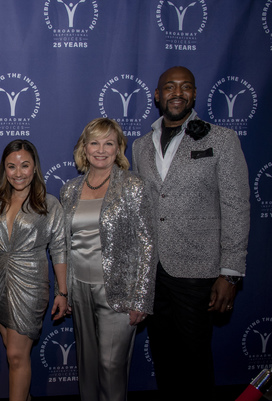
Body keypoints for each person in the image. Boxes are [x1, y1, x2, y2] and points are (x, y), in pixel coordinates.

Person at [132, 66, 250, 401]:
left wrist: (230, 272)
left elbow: (237, 206)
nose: (177, 93)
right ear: (157, 96)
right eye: (169, 87)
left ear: (195, 94)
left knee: (195, 358)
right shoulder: (141, 146)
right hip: (155, 273)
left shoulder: (221, 139)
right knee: (164, 357)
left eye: (185, 87)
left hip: (198, 271)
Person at [60, 118, 156, 401]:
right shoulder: (70, 189)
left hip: (119, 291)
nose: (100, 150)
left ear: (119, 148)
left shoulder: (133, 185)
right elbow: (65, 245)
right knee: (87, 366)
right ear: (84, 147)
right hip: (79, 289)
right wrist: (63, 291)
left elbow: (147, 244)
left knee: (111, 365)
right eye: (94, 143)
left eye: (108, 143)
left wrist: (141, 299)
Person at [0, 139, 68, 401]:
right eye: (11, 166)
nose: (18, 173)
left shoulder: (48, 203)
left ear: (35, 168)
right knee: (12, 351)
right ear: (4, 170)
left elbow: (60, 248)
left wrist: (62, 291)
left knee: (16, 355)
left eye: (24, 165)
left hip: (30, 283)